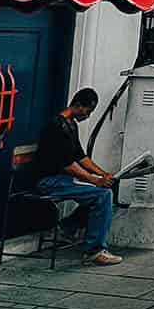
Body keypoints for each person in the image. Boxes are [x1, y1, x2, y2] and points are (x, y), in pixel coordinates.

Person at [35, 88, 122, 266]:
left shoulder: (71, 125)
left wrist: (102, 174)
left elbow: (81, 157)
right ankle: (95, 250)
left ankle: (67, 228)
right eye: (88, 111)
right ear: (78, 105)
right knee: (103, 195)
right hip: (49, 181)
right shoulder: (56, 127)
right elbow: (69, 165)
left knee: (106, 188)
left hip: (63, 179)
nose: (88, 116)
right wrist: (95, 180)